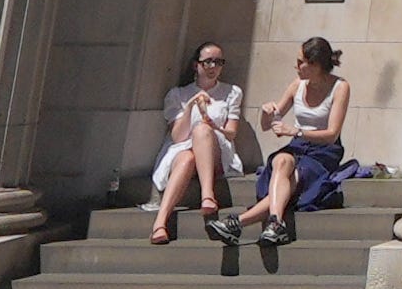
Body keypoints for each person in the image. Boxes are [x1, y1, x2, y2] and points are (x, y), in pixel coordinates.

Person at [239, 37, 355, 236]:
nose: (297, 66)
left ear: (316, 65)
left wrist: (297, 131)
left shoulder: (340, 87)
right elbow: (268, 126)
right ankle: (275, 222)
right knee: (281, 161)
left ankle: (240, 221)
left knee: (293, 179)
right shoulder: (296, 85)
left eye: (301, 62)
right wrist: (266, 113)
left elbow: (332, 133)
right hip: (298, 146)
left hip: (324, 150)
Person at [145, 41, 257, 244]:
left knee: (201, 130)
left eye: (218, 62)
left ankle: (207, 194)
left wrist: (212, 125)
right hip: (183, 149)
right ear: (196, 65)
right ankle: (160, 224)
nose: (213, 67)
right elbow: (178, 137)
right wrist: (190, 106)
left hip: (214, 149)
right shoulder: (178, 95)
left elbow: (231, 133)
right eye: (208, 62)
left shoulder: (232, 92)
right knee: (187, 158)